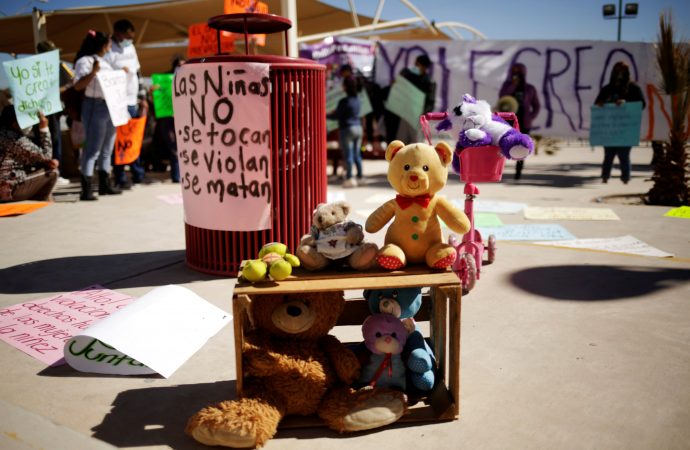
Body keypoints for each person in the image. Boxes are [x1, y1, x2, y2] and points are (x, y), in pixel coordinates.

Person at [73, 30, 123, 201]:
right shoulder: (84, 61)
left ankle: (104, 185)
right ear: (103, 45)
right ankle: (86, 190)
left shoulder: (105, 62)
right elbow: (78, 86)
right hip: (94, 105)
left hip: (110, 106)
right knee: (93, 149)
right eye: (109, 43)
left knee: (107, 149)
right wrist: (93, 72)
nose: (111, 46)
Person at [105, 19, 150, 189]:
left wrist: (143, 97)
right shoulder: (109, 48)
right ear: (117, 32)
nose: (129, 39)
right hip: (117, 101)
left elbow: (138, 72)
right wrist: (117, 73)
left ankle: (138, 173)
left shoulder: (130, 47)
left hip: (132, 100)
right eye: (127, 36)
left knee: (134, 137)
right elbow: (105, 73)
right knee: (119, 141)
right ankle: (120, 176)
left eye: (131, 36)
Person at [594, 61, 646, 184]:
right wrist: (601, 103)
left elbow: (641, 104)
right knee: (608, 154)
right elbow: (597, 102)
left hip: (626, 128)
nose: (619, 75)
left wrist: (625, 104)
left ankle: (625, 177)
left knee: (624, 154)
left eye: (622, 71)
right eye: (617, 71)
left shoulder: (633, 88)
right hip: (610, 128)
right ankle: (605, 176)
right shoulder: (607, 89)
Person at [36, 40, 74, 187]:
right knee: (47, 141)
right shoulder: (39, 67)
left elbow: (70, 82)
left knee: (53, 140)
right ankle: (49, 174)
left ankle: (54, 173)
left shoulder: (58, 65)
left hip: (52, 109)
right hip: (44, 110)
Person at [0, 108, 59, 202]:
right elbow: (47, 156)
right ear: (15, 123)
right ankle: (39, 202)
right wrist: (44, 128)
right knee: (53, 172)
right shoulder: (15, 139)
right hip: (8, 191)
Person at [498, 62, 541, 180]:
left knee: (523, 147)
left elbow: (536, 105)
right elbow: (502, 97)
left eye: (519, 73)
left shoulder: (530, 89)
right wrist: (512, 85)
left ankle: (518, 172)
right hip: (508, 122)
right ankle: (498, 170)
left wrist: (531, 117)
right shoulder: (507, 85)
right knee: (502, 145)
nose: (516, 75)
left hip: (524, 122)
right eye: (514, 73)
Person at [388, 54, 436, 144]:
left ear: (424, 67)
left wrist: (423, 116)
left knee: (416, 144)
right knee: (401, 143)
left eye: (417, 64)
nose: (415, 66)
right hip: (405, 116)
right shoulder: (409, 76)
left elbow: (430, 102)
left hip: (417, 119)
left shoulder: (429, 82)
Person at [152, 57, 185, 182]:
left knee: (180, 147)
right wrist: (154, 91)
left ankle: (180, 175)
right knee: (174, 147)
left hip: (181, 118)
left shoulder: (188, 79)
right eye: (179, 65)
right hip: (167, 118)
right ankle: (177, 176)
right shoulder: (165, 80)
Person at [328, 76, 363, 188]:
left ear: (345, 87)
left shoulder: (343, 101)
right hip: (358, 128)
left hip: (347, 129)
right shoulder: (358, 99)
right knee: (357, 154)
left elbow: (337, 115)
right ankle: (360, 176)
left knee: (348, 155)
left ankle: (349, 177)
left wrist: (325, 114)